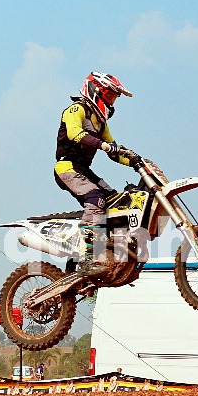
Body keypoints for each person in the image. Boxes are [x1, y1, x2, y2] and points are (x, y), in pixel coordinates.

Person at [55, 72, 140, 275]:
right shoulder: (76, 109)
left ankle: (111, 250)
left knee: (117, 201)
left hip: (84, 170)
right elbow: (75, 133)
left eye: (114, 97)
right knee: (96, 200)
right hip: (67, 168)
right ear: (96, 91)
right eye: (110, 95)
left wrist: (135, 162)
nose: (112, 101)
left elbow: (113, 151)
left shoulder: (101, 122)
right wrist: (102, 145)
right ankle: (91, 255)